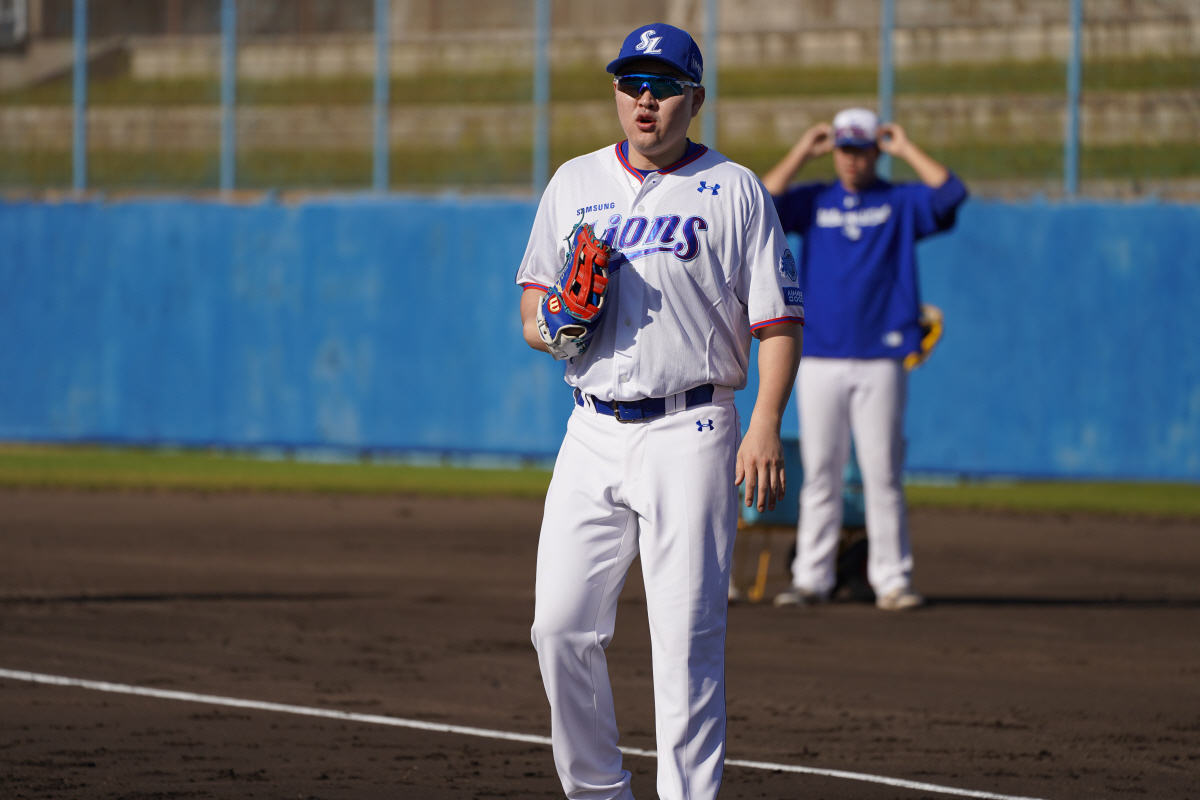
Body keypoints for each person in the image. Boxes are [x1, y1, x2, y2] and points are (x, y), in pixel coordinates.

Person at [516, 23, 804, 800]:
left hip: (693, 427)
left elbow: (777, 321)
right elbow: (533, 313)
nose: (645, 99)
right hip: (590, 428)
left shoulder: (736, 190)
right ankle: (598, 791)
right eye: (632, 82)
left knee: (685, 645)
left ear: (694, 99)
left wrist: (767, 422)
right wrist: (557, 327)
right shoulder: (573, 182)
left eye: (664, 84)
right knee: (559, 628)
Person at [760, 108, 967, 611]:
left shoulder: (898, 201)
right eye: (844, 148)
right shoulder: (816, 199)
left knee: (881, 472)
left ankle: (892, 580)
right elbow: (761, 203)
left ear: (877, 149)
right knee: (821, 473)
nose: (852, 159)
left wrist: (906, 148)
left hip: (881, 354)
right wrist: (801, 151)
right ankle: (811, 578)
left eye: (862, 148)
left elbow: (950, 194)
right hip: (821, 356)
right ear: (833, 150)